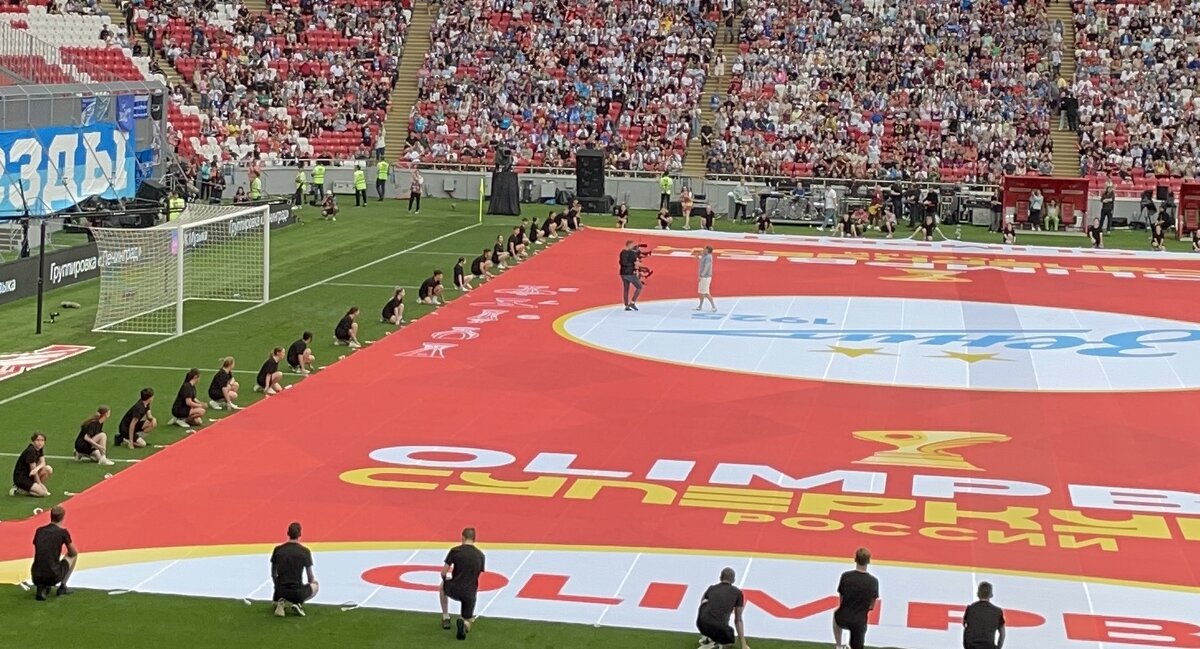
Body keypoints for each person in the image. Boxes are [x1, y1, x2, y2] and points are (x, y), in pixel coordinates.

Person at [440, 527, 485, 640]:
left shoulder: (455, 551)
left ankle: (446, 617)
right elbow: (478, 573)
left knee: (442, 587)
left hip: (454, 588)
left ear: (463, 537)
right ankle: (464, 624)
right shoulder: (480, 555)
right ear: (474, 539)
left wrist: (446, 579)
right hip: (470, 592)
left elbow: (443, 572)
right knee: (468, 620)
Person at [832, 547, 879, 649]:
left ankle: (838, 645)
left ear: (855, 559)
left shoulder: (846, 576)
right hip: (859, 622)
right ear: (869, 561)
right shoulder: (873, 582)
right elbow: (871, 606)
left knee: (836, 613)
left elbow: (842, 599)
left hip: (843, 617)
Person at [271, 522, 319, 617]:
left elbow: (273, 573)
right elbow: (310, 577)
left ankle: (281, 602)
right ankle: (298, 604)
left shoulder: (278, 549)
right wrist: (314, 582)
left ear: (288, 533)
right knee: (315, 586)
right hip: (296, 592)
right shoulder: (305, 552)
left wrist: (277, 586)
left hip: (279, 591)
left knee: (275, 602)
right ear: (300, 534)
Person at [30, 506, 77, 601]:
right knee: (73, 556)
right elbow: (73, 552)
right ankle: (62, 587)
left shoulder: (40, 530)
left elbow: (40, 547)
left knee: (45, 560)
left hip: (36, 575)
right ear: (63, 517)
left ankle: (42, 587)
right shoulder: (63, 532)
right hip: (53, 574)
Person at [696, 567, 749, 649]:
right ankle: (714, 645)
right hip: (717, 626)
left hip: (700, 623)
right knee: (729, 641)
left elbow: (702, 603)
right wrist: (743, 645)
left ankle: (708, 637)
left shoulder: (711, 588)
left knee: (706, 605)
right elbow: (738, 620)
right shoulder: (738, 593)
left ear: (720, 578)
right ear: (733, 580)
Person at [963, 581, 1006, 649]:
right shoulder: (997, 611)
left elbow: (966, 628)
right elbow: (1002, 634)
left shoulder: (970, 609)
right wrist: (998, 647)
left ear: (978, 594)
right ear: (991, 595)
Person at [10, 432, 52, 497]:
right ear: (33, 441)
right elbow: (33, 470)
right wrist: (39, 483)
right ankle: (20, 489)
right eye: (37, 440)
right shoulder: (31, 451)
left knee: (48, 469)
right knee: (42, 493)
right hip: (22, 477)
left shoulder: (39, 449)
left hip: (30, 474)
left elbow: (43, 463)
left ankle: (31, 488)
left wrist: (37, 469)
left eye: (42, 440)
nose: (40, 442)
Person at [619, 240, 643, 312]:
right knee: (639, 286)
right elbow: (637, 263)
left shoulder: (622, 252)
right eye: (632, 245)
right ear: (629, 245)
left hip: (622, 273)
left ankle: (626, 305)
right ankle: (632, 302)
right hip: (630, 273)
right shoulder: (632, 253)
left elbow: (622, 262)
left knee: (626, 288)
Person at [696, 245, 716, 312]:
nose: (703, 249)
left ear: (707, 250)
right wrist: (698, 257)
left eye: (704, 249)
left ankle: (713, 306)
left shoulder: (708, 257)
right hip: (703, 277)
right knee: (701, 292)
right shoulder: (704, 255)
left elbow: (706, 267)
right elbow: (701, 260)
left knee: (706, 293)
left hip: (706, 277)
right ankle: (700, 306)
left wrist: (701, 275)